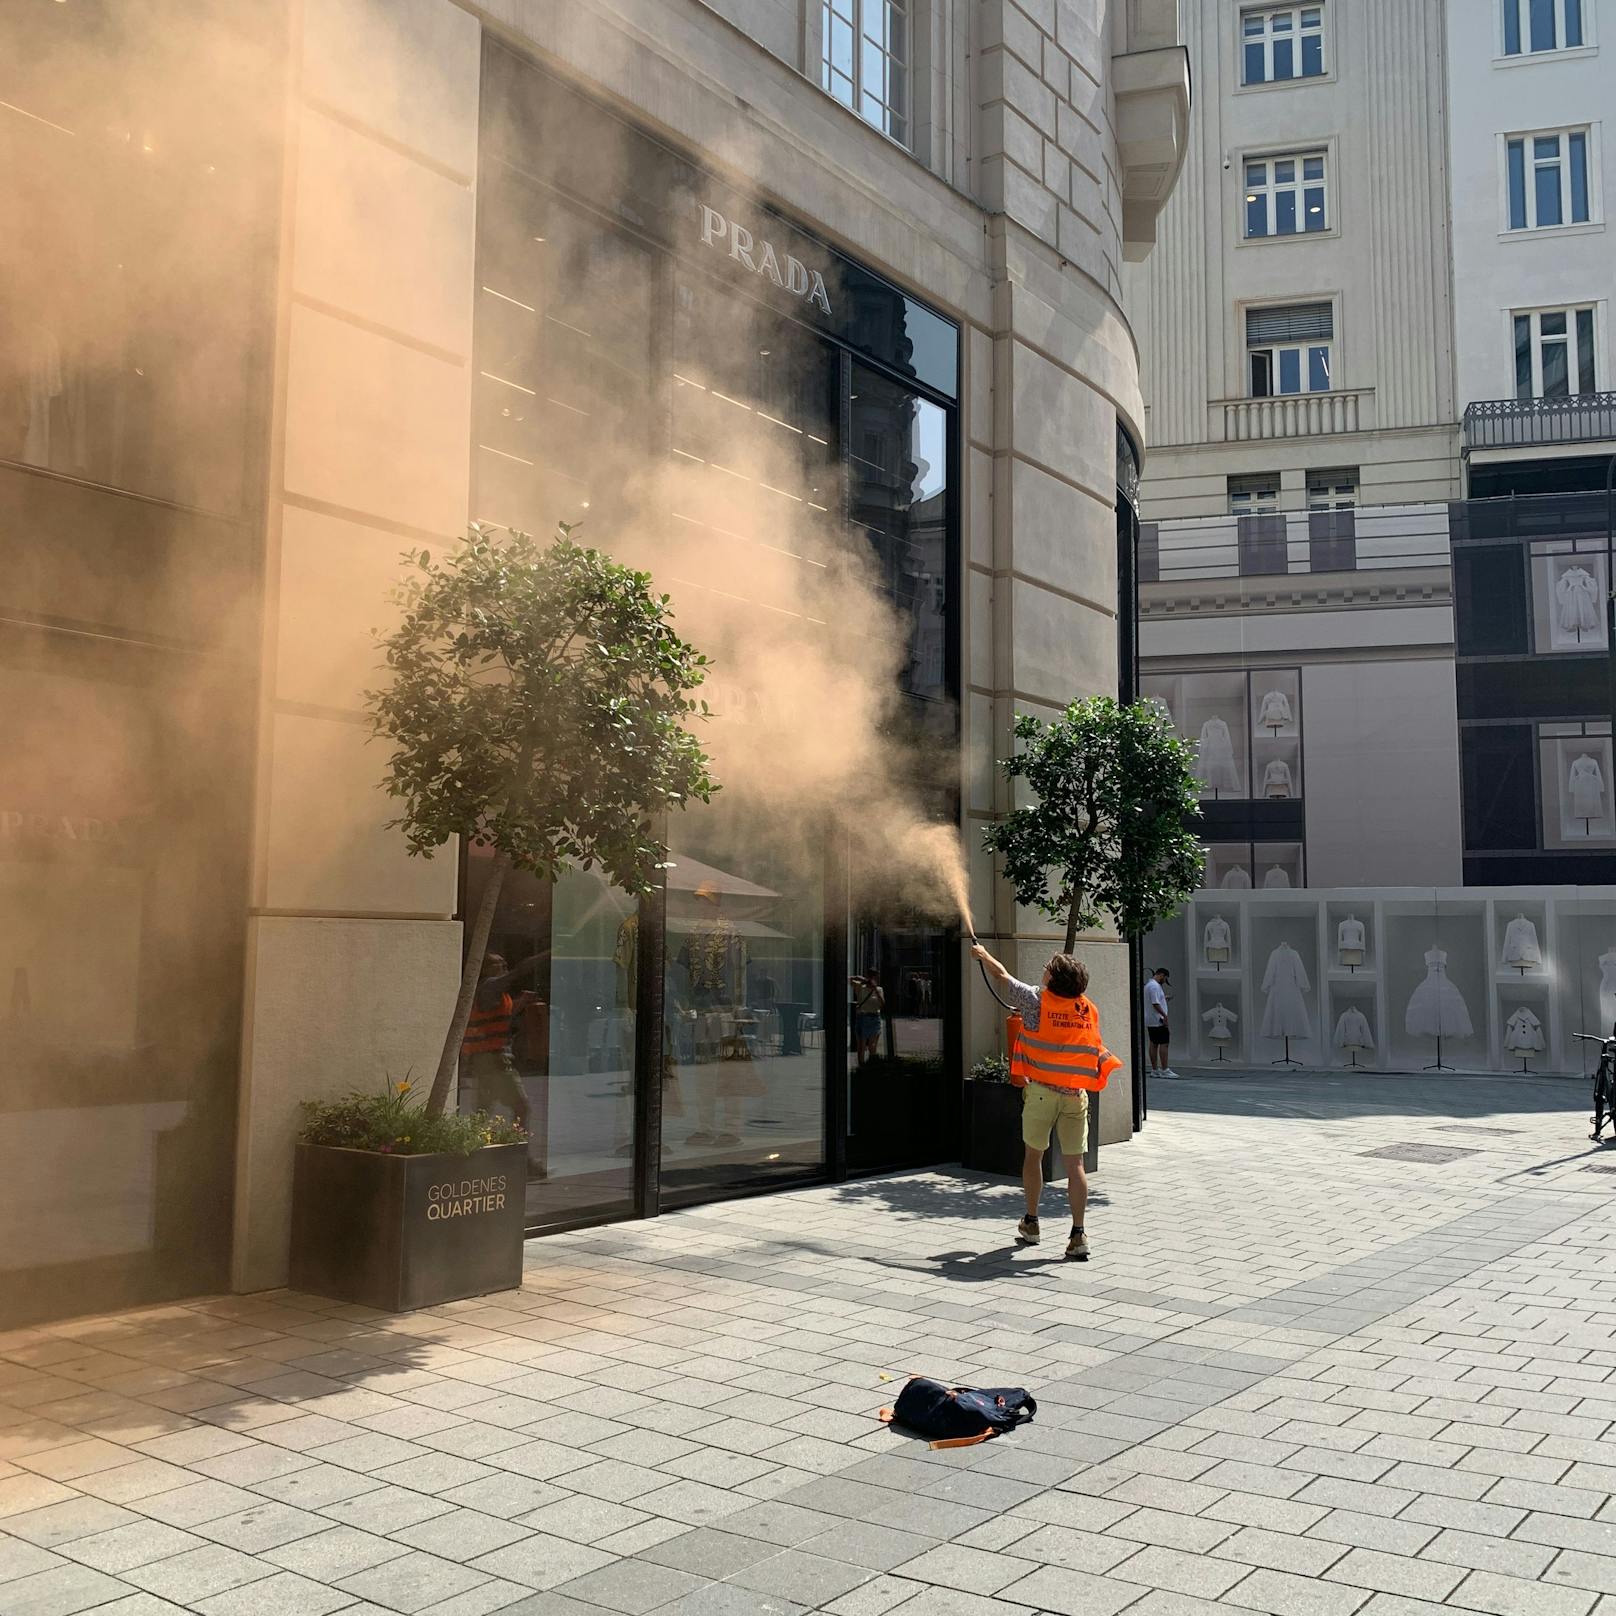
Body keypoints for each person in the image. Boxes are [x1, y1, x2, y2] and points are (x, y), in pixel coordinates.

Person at [971, 942, 1120, 1260]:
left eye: (1047, 968)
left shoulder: (1036, 1000)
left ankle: (1032, 1222)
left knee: (1033, 1157)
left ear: (1054, 978)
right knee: (1075, 1164)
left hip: (1041, 1093)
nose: (1043, 970)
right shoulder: (1086, 1009)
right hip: (1075, 1096)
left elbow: (1002, 976)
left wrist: (983, 955)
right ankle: (1078, 1235)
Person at [462, 952, 540, 1145]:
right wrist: (547, 954)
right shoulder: (489, 986)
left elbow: (501, 1018)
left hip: (485, 1061)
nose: (504, 965)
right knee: (521, 1107)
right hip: (494, 1061)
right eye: (497, 963)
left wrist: (520, 1003)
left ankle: (473, 1152)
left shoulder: (491, 994)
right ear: (485, 969)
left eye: (504, 962)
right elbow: (518, 972)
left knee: (482, 1112)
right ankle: (519, 1156)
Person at [1144, 966, 1175, 1078]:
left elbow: (1155, 1001)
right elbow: (1155, 1004)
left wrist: (1164, 999)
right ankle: (1164, 1069)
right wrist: (1164, 1016)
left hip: (1151, 1020)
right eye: (1165, 978)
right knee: (1164, 1043)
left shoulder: (1149, 985)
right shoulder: (1154, 986)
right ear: (1161, 975)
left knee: (1154, 1043)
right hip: (1158, 1020)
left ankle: (1155, 1070)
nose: (1164, 981)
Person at [850, 972, 884, 1065]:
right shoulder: (861, 987)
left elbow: (882, 1004)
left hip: (874, 1018)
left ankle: (871, 1067)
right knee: (861, 1045)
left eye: (874, 977)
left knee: (872, 1047)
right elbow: (848, 980)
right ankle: (861, 1066)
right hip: (863, 1017)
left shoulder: (879, 989)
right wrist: (860, 978)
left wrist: (875, 990)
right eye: (870, 977)